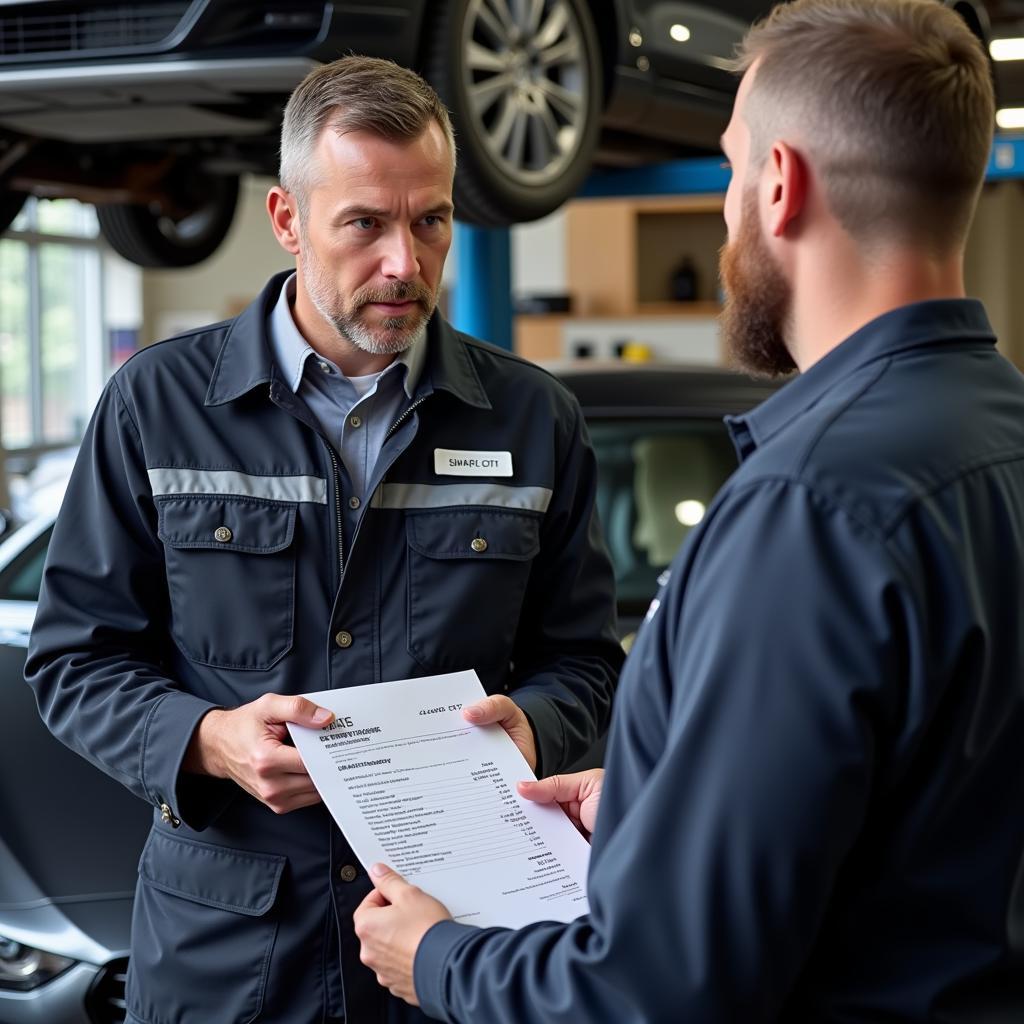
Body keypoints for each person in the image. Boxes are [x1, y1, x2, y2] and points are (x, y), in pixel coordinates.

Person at [353, 2, 1024, 1021]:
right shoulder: (998, 439)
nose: (724, 212)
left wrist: (440, 958)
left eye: (727, 169)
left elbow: (663, 990)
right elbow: (930, 800)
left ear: (781, 184)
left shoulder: (809, 510)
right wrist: (656, 799)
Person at [24, 56, 623, 1024]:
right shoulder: (157, 406)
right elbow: (74, 661)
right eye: (365, 224)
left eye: (430, 221)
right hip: (230, 956)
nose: (405, 262)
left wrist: (537, 725)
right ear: (287, 219)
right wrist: (206, 739)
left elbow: (582, 659)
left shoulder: (531, 420)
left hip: (453, 941)